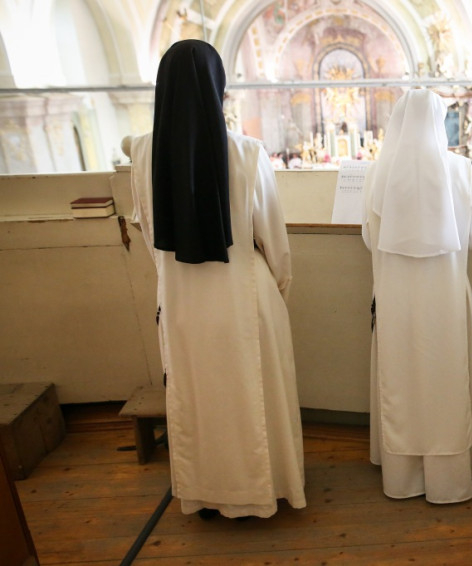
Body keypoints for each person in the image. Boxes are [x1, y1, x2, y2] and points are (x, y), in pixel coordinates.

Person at [129, 39, 306, 519]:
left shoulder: (142, 153)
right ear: (219, 88)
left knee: (198, 401)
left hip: (181, 300)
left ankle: (207, 493)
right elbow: (273, 239)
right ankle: (267, 492)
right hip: (245, 294)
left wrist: (172, 281)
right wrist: (279, 290)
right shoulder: (247, 152)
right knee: (255, 401)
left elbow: (150, 234)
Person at [361, 89, 472, 504]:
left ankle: (402, 478)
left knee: (400, 382)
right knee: (447, 381)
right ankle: (450, 478)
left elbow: (368, 238)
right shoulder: (460, 169)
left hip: (395, 298)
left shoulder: (376, 175)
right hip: (446, 296)